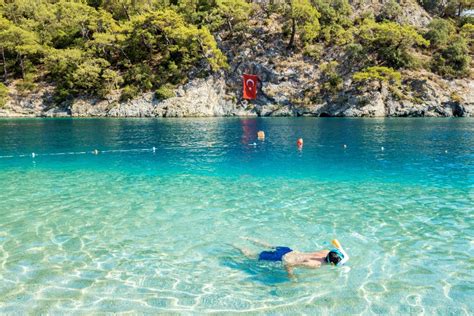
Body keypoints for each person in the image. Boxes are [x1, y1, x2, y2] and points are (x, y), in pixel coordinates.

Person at [237, 237, 349, 278]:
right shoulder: (315, 265)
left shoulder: (326, 251)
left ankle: (246, 238)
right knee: (252, 256)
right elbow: (289, 264)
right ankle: (235, 246)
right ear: (333, 264)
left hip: (288, 250)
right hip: (282, 257)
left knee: (268, 245)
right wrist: (291, 277)